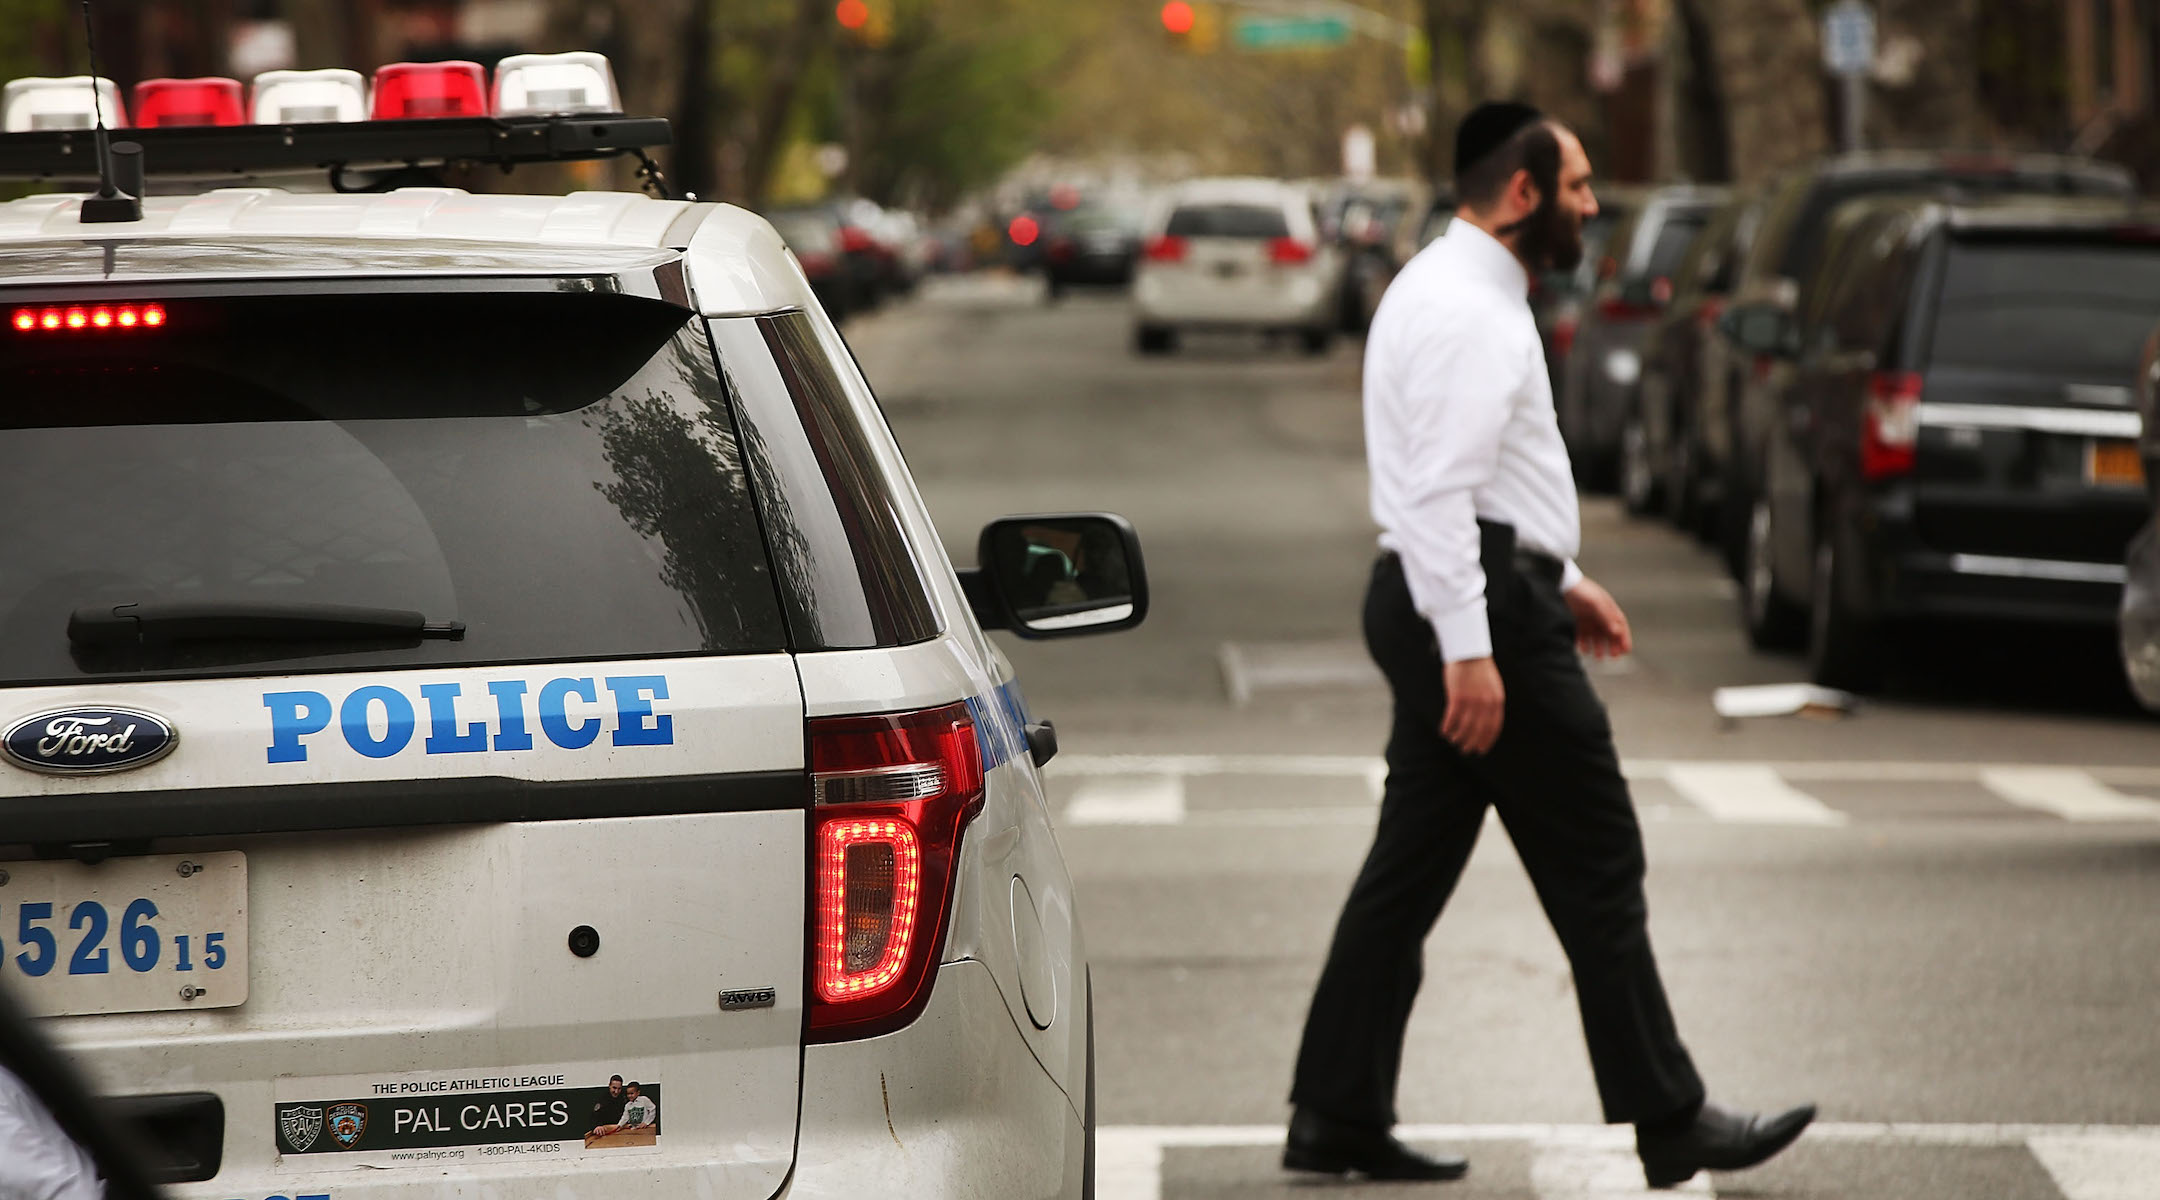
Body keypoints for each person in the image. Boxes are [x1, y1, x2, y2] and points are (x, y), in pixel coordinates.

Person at [1282, 101, 1816, 1190]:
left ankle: (1335, 1113)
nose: (1588, 206)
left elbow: (1473, 488)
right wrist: (1474, 646)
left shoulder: (1452, 289)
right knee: (1598, 858)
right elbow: (1438, 495)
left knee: (1408, 871)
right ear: (1521, 194)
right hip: (1475, 612)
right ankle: (1670, 1117)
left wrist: (1562, 578)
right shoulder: (1470, 312)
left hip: (1471, 592)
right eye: (1574, 186)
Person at [587, 1081, 657, 1147]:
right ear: (609, 1086)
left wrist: (646, 1122)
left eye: (632, 1093)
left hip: (646, 1129)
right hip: (633, 1130)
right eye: (628, 1094)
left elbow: (653, 1109)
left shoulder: (644, 1100)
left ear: (638, 1093)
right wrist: (619, 1125)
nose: (630, 1096)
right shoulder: (627, 1105)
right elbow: (625, 1117)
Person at [587, 1075, 628, 1139]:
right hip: (605, 1131)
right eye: (614, 1088)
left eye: (619, 1088)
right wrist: (597, 1126)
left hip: (622, 1129)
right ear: (609, 1085)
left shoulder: (624, 1096)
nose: (616, 1091)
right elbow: (594, 1116)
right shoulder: (602, 1098)